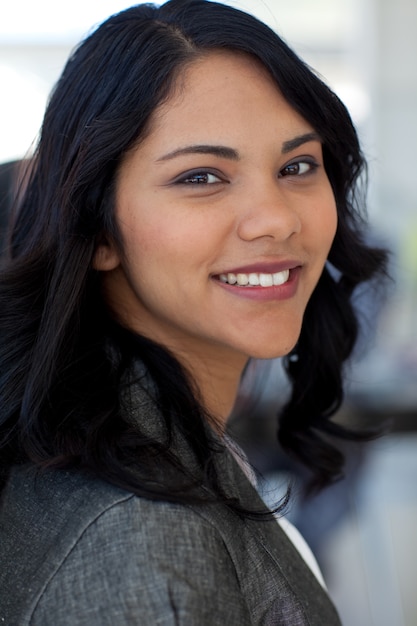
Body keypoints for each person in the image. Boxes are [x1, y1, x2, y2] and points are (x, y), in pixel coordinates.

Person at [0, 0, 388, 623]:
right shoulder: (142, 543)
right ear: (97, 230)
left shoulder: (141, 447)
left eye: (297, 166)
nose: (278, 219)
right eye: (202, 177)